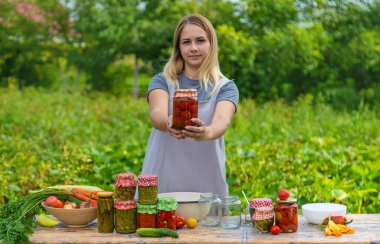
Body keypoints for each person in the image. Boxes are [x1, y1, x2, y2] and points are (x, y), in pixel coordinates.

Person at [141, 14, 239, 197]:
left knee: (207, 223)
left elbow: (222, 120)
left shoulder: (225, 87)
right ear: (178, 47)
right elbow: (156, 114)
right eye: (186, 42)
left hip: (207, 184)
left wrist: (207, 132)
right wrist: (168, 121)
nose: (193, 48)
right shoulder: (162, 81)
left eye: (200, 40)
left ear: (211, 44)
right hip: (164, 180)